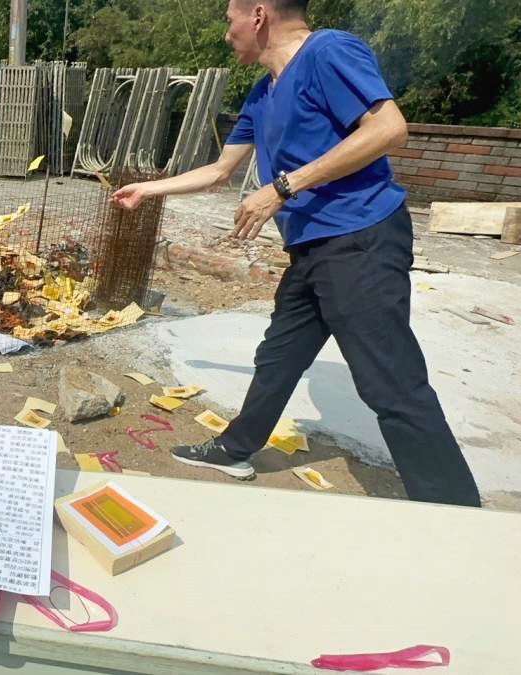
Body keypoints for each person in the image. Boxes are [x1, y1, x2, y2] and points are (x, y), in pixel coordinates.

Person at [111, 0, 480, 507]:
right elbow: (220, 170)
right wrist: (147, 191)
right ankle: (235, 448)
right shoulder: (263, 94)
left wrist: (283, 187)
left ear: (258, 15)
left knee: (390, 381)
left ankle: (454, 511)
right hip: (311, 248)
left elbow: (388, 129)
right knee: (279, 356)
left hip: (361, 239)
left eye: (229, 19)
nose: (226, 34)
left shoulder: (329, 51)